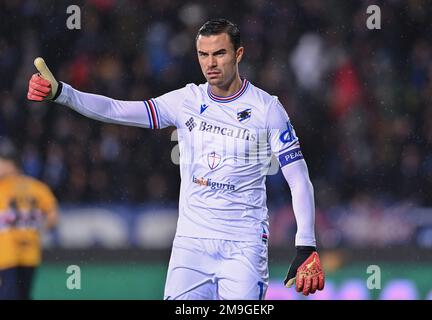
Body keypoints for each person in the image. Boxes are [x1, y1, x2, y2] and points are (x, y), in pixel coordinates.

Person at [27, 18, 324, 299]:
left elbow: (298, 180)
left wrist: (305, 245)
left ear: (239, 54)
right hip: (191, 245)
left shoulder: (267, 109)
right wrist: (62, 93)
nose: (210, 63)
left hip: (243, 246)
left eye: (219, 53)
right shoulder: (186, 101)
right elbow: (117, 110)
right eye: (203, 54)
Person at [0, 139, 58, 300]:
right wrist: (36, 229)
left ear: (12, 164)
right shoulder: (37, 187)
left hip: (6, 253)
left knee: (8, 295)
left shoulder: (2, 187)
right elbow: (53, 216)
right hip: (30, 251)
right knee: (23, 295)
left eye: (2, 162)